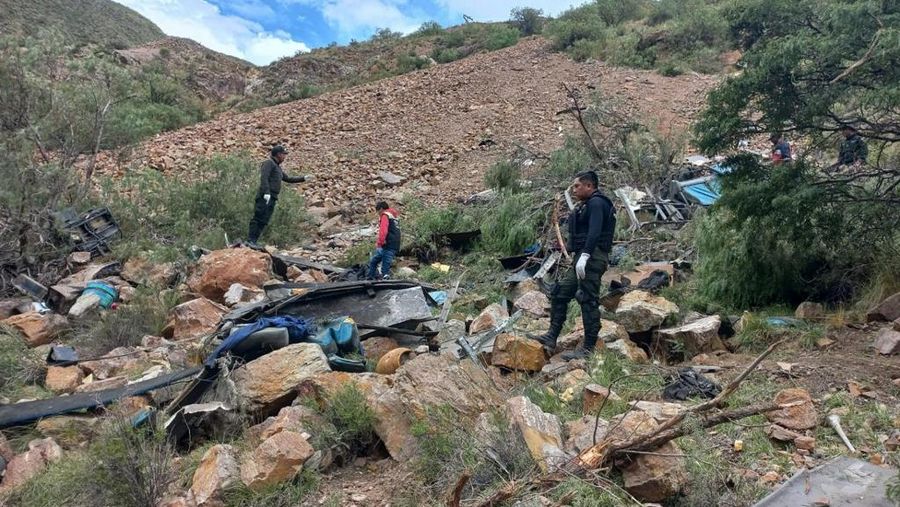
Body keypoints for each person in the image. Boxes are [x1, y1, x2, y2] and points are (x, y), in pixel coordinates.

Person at [535, 171, 616, 361]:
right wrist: (560, 248)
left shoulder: (597, 203)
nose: (574, 189)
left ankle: (587, 349)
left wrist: (586, 255)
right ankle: (551, 337)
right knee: (560, 292)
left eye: (577, 185)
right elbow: (581, 236)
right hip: (583, 256)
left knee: (587, 299)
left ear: (589, 186)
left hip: (593, 257)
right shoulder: (585, 206)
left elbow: (595, 232)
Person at [247, 145, 312, 247]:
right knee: (258, 217)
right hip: (265, 196)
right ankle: (250, 240)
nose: (285, 157)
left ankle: (254, 241)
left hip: (272, 197)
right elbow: (264, 178)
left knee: (264, 220)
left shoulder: (277, 167)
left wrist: (303, 178)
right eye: (283, 154)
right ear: (278, 154)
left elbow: (288, 178)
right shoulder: (269, 163)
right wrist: (266, 192)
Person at [367, 201, 401, 280]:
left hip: (388, 244)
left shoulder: (385, 215)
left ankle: (384, 280)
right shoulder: (394, 217)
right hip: (395, 243)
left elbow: (383, 230)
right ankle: (370, 277)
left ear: (381, 209)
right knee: (374, 261)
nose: (378, 214)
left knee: (385, 266)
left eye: (378, 211)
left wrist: (380, 242)